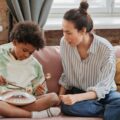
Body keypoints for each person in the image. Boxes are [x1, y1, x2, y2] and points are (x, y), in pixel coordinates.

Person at [59, 1, 120, 120]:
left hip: (105, 94)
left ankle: (107, 108)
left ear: (83, 30)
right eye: (63, 31)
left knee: (118, 102)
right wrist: (60, 96)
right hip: (79, 91)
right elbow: (66, 73)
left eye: (68, 32)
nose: (64, 37)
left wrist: (76, 98)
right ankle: (108, 110)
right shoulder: (64, 43)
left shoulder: (105, 49)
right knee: (66, 107)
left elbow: (103, 87)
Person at [0, 21, 60, 118]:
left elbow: (38, 91)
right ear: (14, 42)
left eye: (31, 53)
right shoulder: (1, 53)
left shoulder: (35, 66)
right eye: (24, 50)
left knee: (53, 97)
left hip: (27, 101)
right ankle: (34, 115)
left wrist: (39, 91)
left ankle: (11, 112)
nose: (26, 55)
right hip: (3, 100)